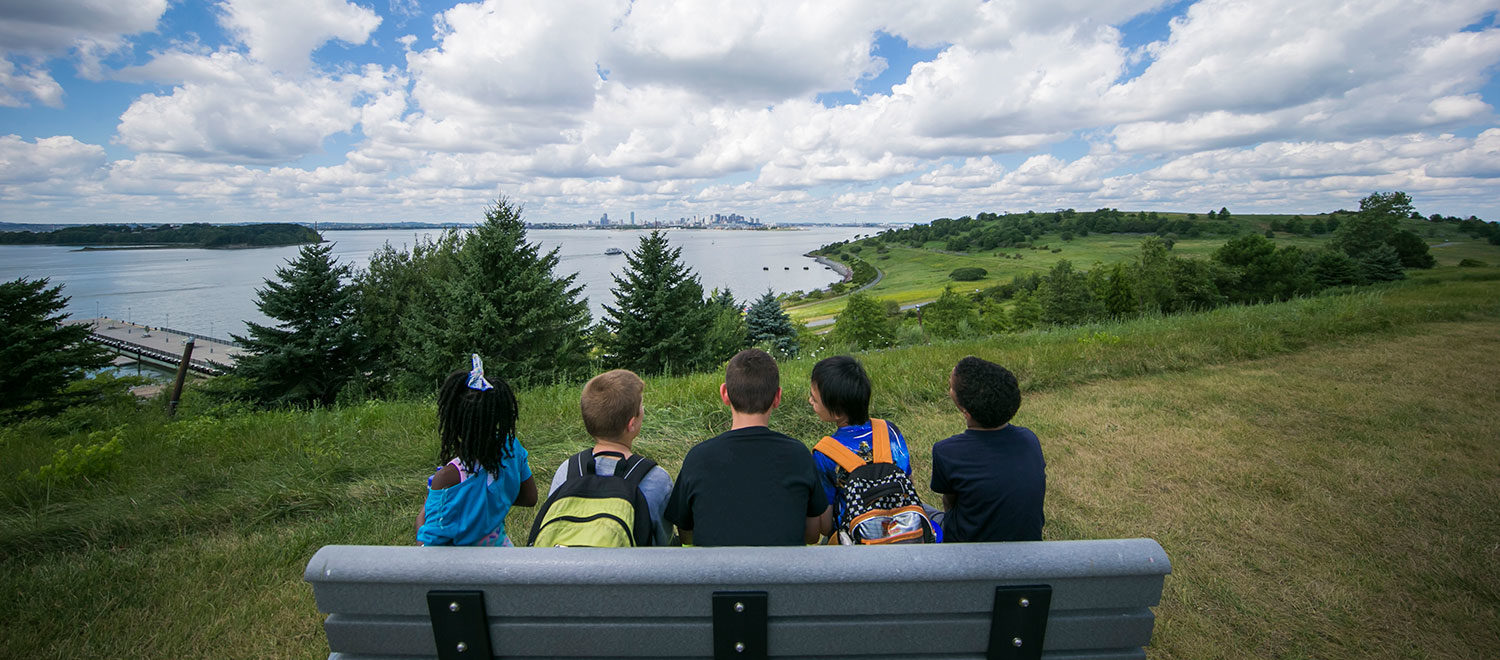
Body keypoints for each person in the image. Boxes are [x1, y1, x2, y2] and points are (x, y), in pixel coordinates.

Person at [664, 348, 828, 546]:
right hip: (782, 575)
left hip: (716, 575)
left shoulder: (698, 458)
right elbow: (812, 534)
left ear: (725, 393)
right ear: (777, 397)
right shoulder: (799, 455)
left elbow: (686, 533)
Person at [541, 369, 674, 546]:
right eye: (641, 407)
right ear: (631, 424)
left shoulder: (566, 471)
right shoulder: (656, 479)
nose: (643, 410)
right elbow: (663, 543)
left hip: (565, 572)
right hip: (632, 572)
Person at [416, 355, 538, 546]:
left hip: (466, 573)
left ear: (453, 421)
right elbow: (529, 498)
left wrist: (425, 511)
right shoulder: (511, 447)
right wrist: (494, 499)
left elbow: (429, 547)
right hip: (505, 557)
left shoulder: (449, 478)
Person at [929, 356, 1045, 542]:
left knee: (914, 508)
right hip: (1028, 546)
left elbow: (949, 504)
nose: (950, 389)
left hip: (969, 551)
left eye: (951, 387)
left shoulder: (947, 452)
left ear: (965, 410)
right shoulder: (1029, 439)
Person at [807, 355, 920, 540]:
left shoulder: (824, 453)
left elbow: (826, 525)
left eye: (814, 398)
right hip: (903, 529)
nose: (810, 401)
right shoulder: (890, 431)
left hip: (855, 541)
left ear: (835, 411)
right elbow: (908, 482)